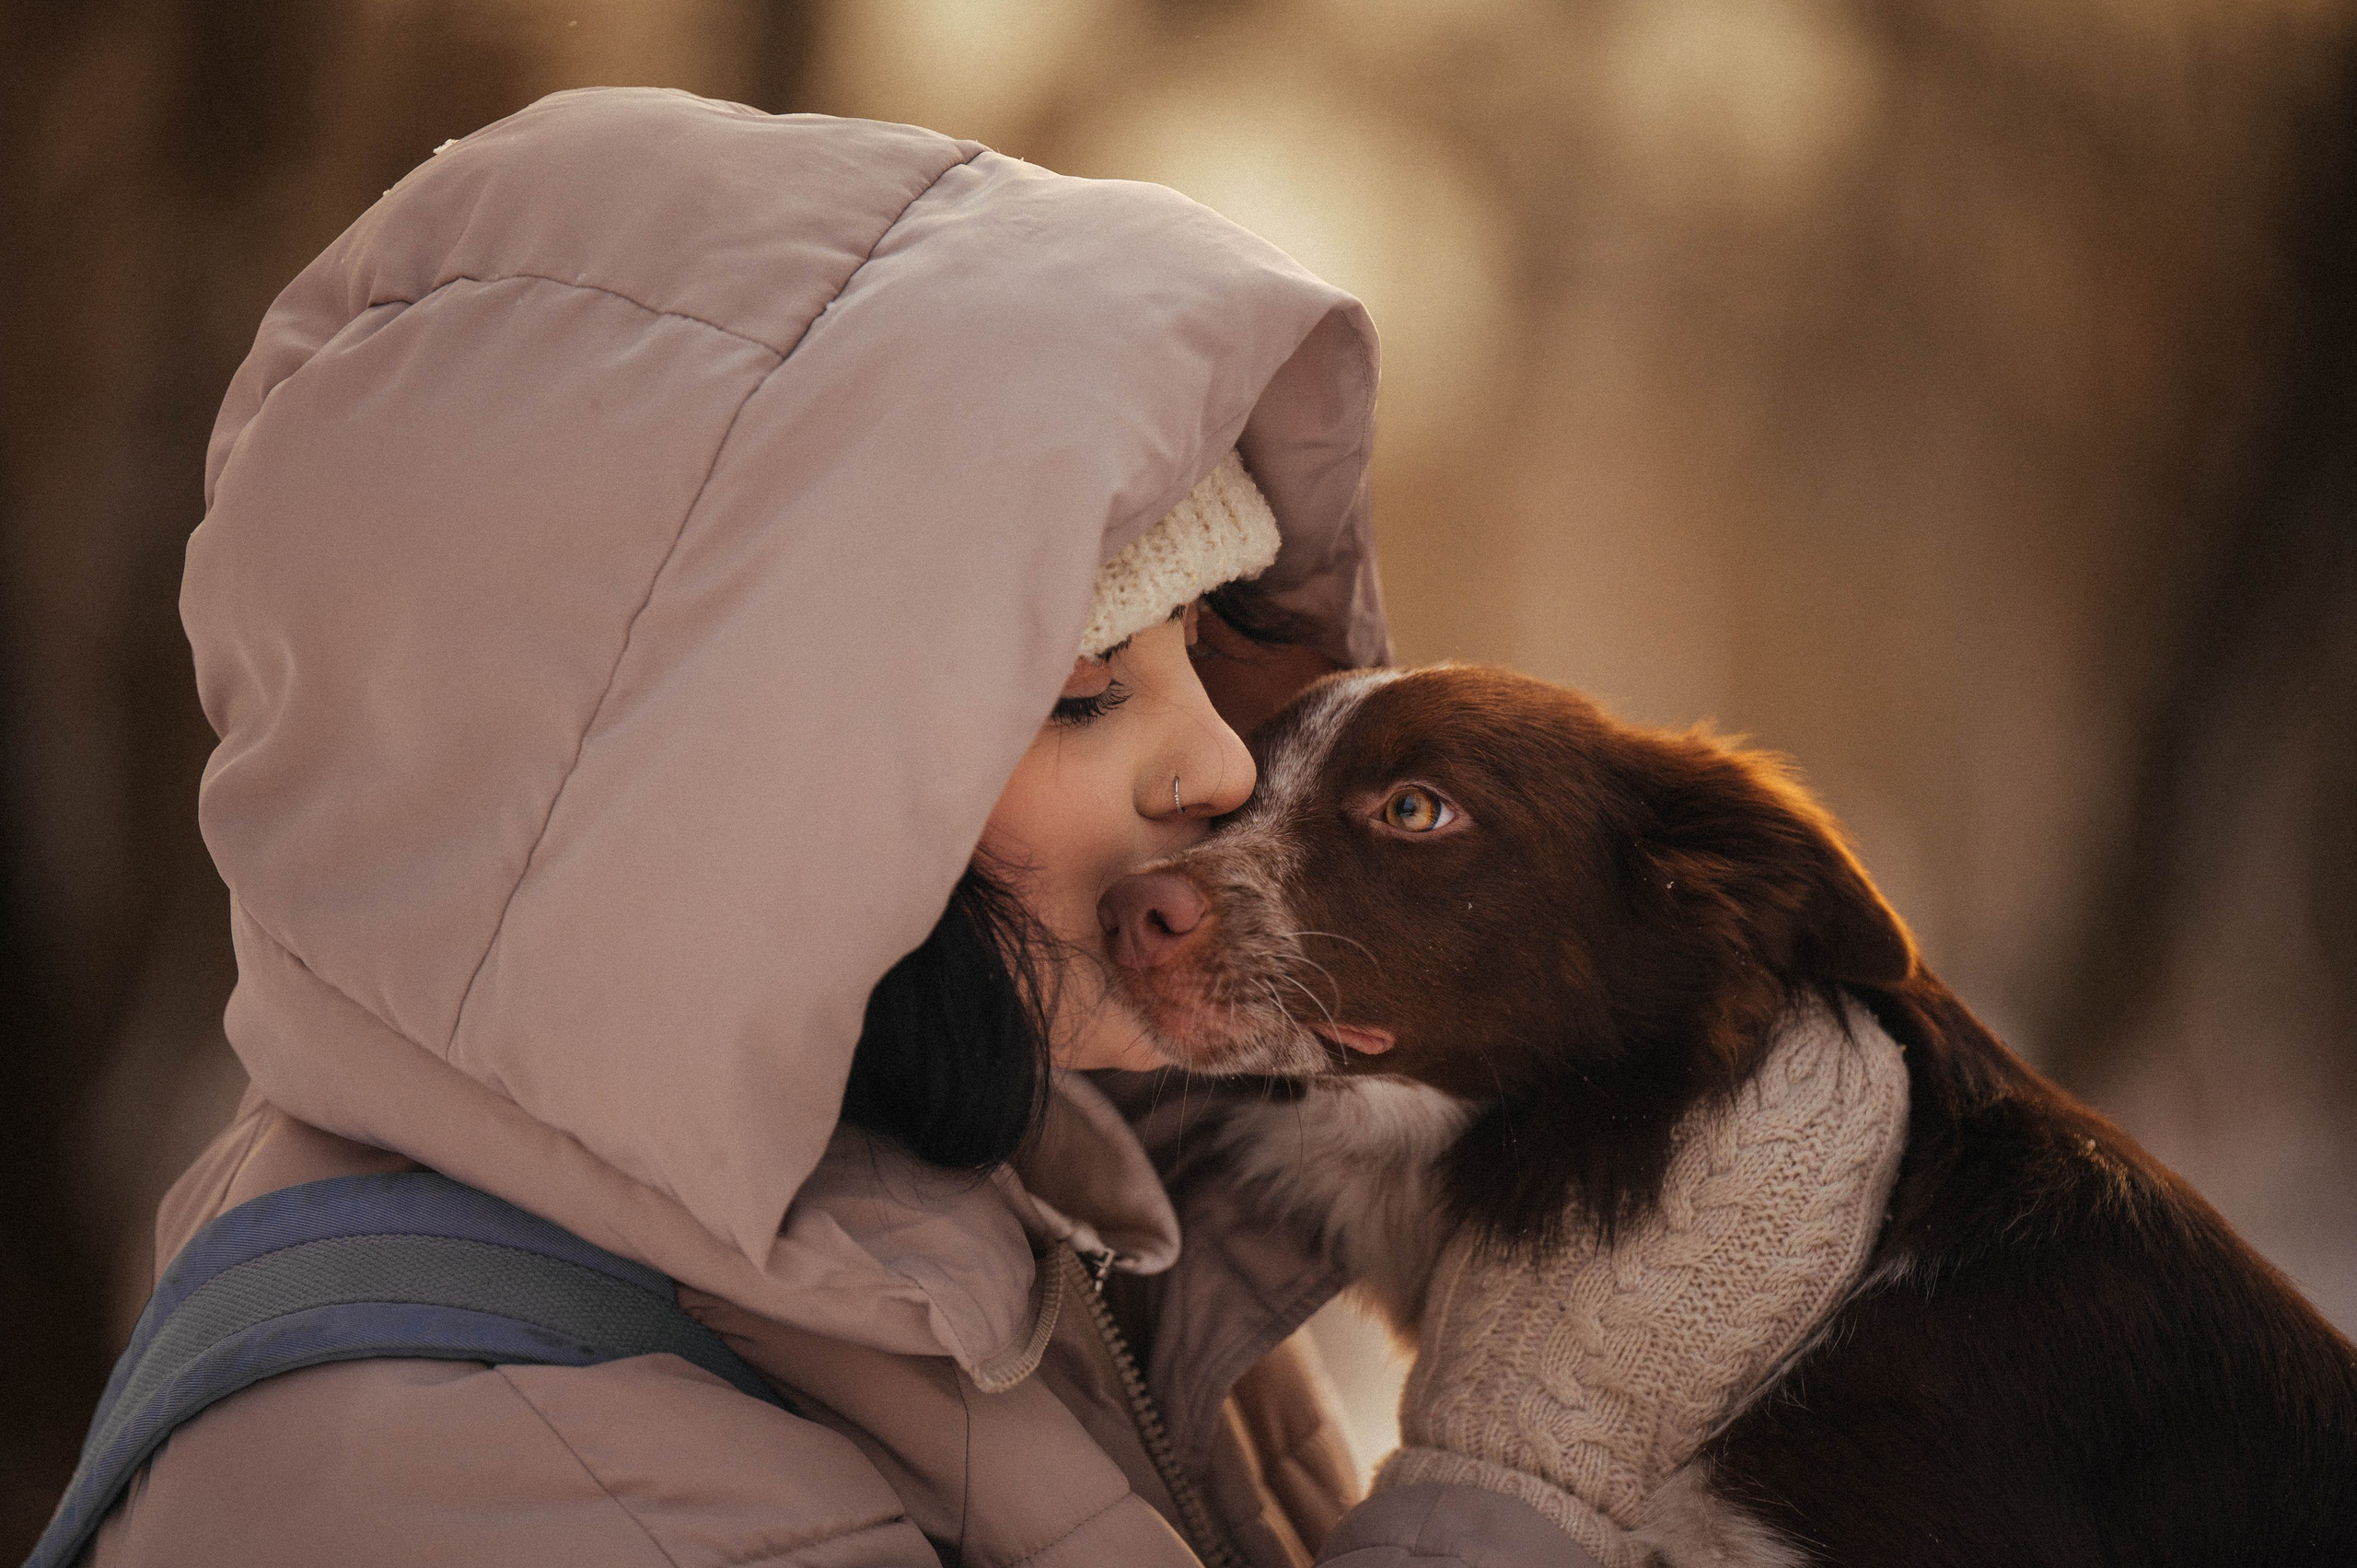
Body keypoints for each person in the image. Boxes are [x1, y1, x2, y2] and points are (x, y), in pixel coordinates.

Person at [82, 88, 1593, 1567]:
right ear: (721, 787)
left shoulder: (1058, 1206)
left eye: (1197, 647)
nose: (1219, 761)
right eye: (1080, 693)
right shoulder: (475, 1487)